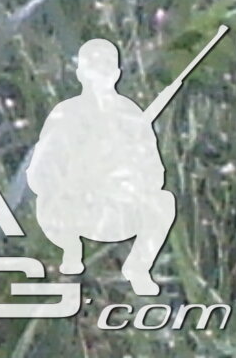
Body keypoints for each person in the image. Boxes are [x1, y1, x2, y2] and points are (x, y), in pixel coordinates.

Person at [26, 40, 179, 294]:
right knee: (55, 207)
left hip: (113, 207)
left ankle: (138, 268)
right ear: (81, 73)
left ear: (117, 74)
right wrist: (76, 176)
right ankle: (70, 254)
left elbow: (155, 173)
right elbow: (39, 173)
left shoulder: (130, 116)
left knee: (163, 203)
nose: (100, 76)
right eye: (93, 68)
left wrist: (126, 174)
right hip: (70, 210)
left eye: (106, 68)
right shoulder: (66, 114)